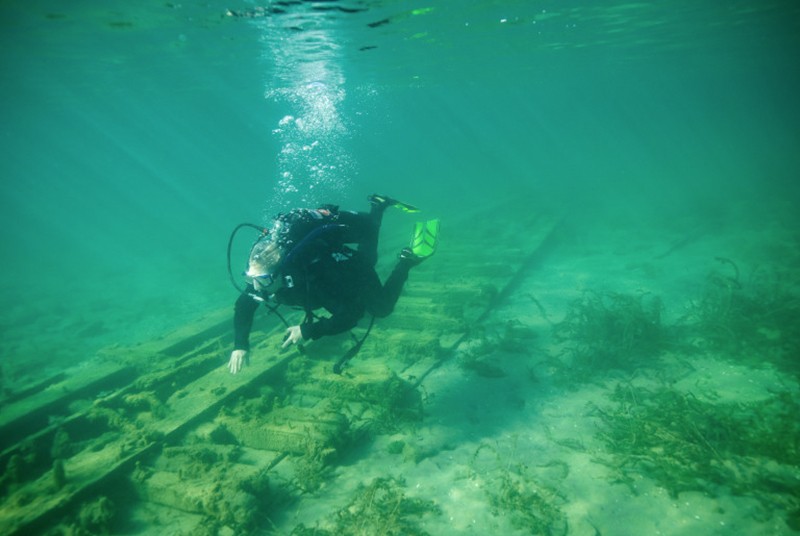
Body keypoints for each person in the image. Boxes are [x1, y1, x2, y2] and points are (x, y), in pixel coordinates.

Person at [228, 194, 439, 374]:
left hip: (349, 270)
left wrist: (308, 330)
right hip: (337, 268)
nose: (255, 287)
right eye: (249, 278)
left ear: (281, 275)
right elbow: (243, 306)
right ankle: (378, 206)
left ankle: (406, 261)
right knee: (369, 255)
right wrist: (240, 345)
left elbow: (352, 314)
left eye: (262, 280)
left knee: (381, 307)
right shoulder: (264, 278)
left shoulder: (313, 281)